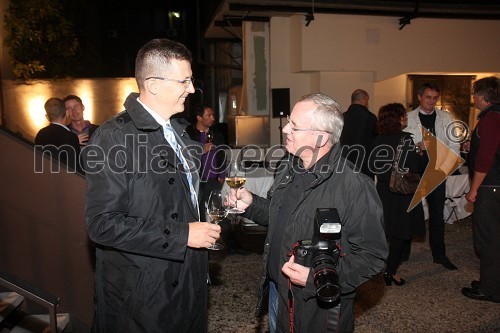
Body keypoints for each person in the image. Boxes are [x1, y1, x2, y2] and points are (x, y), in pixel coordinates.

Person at [83, 38, 221, 332]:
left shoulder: (178, 132)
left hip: (187, 284)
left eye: (191, 80)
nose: (192, 89)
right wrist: (183, 234)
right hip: (143, 299)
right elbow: (102, 224)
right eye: (184, 80)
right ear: (154, 84)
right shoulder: (114, 137)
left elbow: (177, 200)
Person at [227, 92, 388, 332]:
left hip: (316, 308)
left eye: (294, 126)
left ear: (321, 138)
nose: (285, 130)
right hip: (277, 290)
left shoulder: (355, 186)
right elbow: (279, 217)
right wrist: (251, 204)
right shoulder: (287, 168)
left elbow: (372, 256)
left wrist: (316, 279)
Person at [368, 103, 426, 286]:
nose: (406, 118)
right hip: (401, 193)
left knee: (383, 231)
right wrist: (420, 151)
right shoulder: (405, 140)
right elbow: (414, 166)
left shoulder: (377, 139)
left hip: (383, 191)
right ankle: (390, 272)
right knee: (400, 234)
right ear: (397, 118)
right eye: (403, 116)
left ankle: (375, 267)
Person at [405, 82, 460, 270]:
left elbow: (454, 145)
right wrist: (416, 147)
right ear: (420, 97)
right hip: (413, 172)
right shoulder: (408, 117)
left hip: (437, 172)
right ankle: (403, 252)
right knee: (410, 213)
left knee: (437, 215)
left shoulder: (446, 117)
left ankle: (439, 254)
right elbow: (401, 145)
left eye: (435, 98)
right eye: (428, 97)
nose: (432, 101)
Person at [461, 76, 500, 303]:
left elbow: (486, 158)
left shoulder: (490, 120)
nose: (473, 97)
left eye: (475, 93)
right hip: (495, 186)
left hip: (490, 187)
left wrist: (473, 189)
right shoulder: (494, 117)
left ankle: (491, 289)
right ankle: (490, 281)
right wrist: (471, 145)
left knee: (488, 240)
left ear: (483, 97)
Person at [34, 97, 81, 172]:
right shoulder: (70, 137)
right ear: (66, 112)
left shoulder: (41, 134)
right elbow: (76, 169)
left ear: (47, 116)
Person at [339, 89, 377, 178]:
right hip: (365, 164)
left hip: (344, 162)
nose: (367, 104)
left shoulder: (342, 117)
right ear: (363, 100)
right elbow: (375, 140)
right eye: (367, 101)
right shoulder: (370, 118)